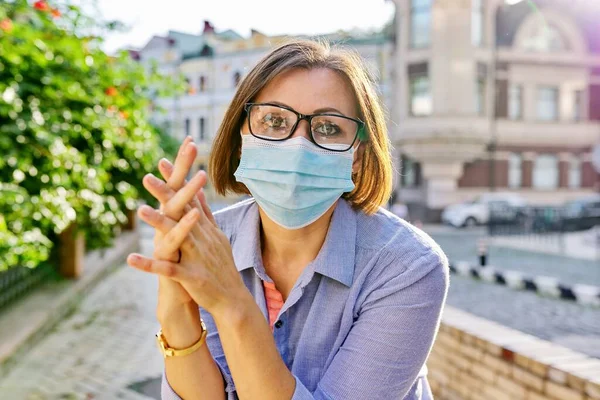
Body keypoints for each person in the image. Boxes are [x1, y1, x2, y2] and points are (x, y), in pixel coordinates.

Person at [127, 39, 449, 400]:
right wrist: (175, 299)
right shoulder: (213, 242)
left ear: (356, 155)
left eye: (328, 128)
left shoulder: (408, 266)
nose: (298, 145)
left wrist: (231, 301)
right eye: (274, 120)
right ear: (241, 136)